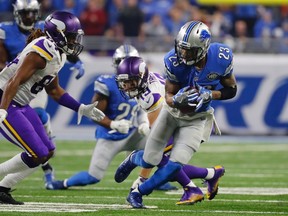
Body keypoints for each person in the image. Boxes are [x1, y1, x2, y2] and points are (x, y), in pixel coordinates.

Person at [114, 21, 237, 208]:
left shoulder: (221, 57)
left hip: (197, 118)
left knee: (174, 165)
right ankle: (135, 158)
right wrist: (177, 98)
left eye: (189, 50)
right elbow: (168, 96)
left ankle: (138, 193)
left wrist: (211, 94)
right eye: (182, 48)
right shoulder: (173, 60)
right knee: (151, 159)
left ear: (203, 48)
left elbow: (232, 90)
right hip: (171, 113)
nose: (183, 54)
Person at [0, 10, 105, 205]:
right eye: (72, 37)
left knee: (47, 152)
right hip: (5, 99)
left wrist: (80, 108)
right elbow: (13, 82)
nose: (75, 41)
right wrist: (2, 109)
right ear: (58, 33)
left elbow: (54, 90)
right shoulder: (41, 52)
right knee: (37, 153)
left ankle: (3, 187)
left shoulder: (57, 53)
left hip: (20, 103)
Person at [46, 44, 176, 191]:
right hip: (111, 136)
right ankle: (63, 183)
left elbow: (145, 109)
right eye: (123, 62)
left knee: (160, 146)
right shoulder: (106, 83)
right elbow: (93, 113)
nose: (127, 67)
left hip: (134, 132)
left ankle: (152, 180)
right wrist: (113, 124)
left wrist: (144, 122)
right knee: (93, 176)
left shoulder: (144, 84)